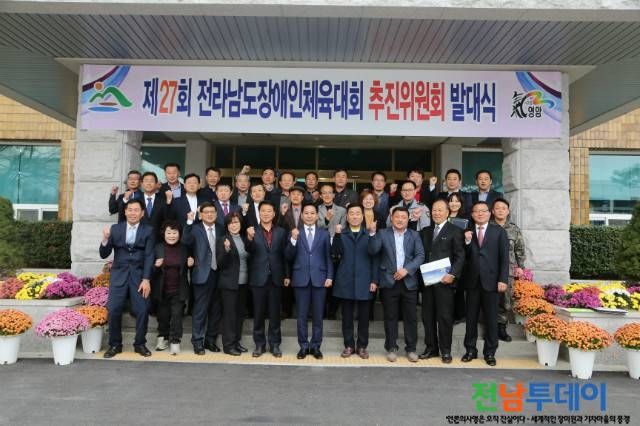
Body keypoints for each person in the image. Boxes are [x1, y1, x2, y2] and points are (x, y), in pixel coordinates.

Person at [368, 206, 425, 363]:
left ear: (408, 219)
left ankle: (411, 349)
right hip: (389, 281)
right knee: (390, 316)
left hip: (409, 282)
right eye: (397, 217)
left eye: (403, 217)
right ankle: (391, 347)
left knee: (411, 317)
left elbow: (420, 255)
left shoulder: (414, 235)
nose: (400, 219)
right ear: (391, 218)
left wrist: (407, 270)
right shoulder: (382, 233)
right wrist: (372, 233)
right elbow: (372, 251)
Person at [99, 199, 155, 358]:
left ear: (142, 213)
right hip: (119, 275)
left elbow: (149, 256)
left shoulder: (148, 230)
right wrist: (105, 239)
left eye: (136, 210)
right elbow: (104, 254)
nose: (132, 213)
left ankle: (140, 344)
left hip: (139, 276)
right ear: (125, 212)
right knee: (113, 309)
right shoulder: (115, 229)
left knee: (142, 310)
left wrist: (146, 279)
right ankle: (115, 345)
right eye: (130, 209)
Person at [461, 201, 509, 367]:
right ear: (472, 214)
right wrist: (467, 242)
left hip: (492, 282)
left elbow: (504, 258)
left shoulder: (499, 232)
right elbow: (463, 256)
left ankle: (489, 352)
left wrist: (503, 279)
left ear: (489, 213)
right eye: (476, 211)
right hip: (472, 282)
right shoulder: (467, 232)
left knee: (491, 319)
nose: (480, 214)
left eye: (483, 211)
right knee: (471, 319)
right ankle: (470, 350)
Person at [418, 199, 465, 363]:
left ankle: (445, 351)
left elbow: (460, 256)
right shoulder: (425, 231)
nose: (436, 213)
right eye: (434, 210)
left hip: (445, 282)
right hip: (427, 282)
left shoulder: (455, 231)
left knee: (444, 317)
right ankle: (431, 348)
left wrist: (452, 274)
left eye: (440, 210)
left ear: (447, 212)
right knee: (427, 316)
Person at [285, 204, 334, 360]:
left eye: (312, 213)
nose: (309, 216)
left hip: (320, 279)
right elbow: (288, 256)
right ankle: (304, 346)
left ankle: (316, 346)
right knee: (301, 316)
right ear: (301, 215)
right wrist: (293, 239)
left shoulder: (324, 234)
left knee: (318, 316)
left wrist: (330, 276)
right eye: (306, 213)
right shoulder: (294, 233)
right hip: (301, 279)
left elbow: (328, 257)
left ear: (317, 216)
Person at [331, 205, 379, 359]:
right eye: (351, 213)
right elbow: (335, 253)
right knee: (346, 317)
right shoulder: (342, 233)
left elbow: (375, 254)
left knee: (364, 318)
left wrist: (374, 280)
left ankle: (362, 346)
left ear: (363, 217)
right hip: (345, 280)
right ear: (347, 217)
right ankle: (349, 345)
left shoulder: (369, 233)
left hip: (365, 280)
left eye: (358, 213)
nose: (355, 216)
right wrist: (337, 235)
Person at [246, 201, 289, 358]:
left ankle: (275, 344)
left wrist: (287, 275)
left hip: (276, 278)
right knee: (258, 314)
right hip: (258, 278)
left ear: (274, 213)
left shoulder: (281, 232)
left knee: (275, 314)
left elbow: (285, 256)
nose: (266, 213)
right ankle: (259, 344)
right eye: (263, 210)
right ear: (259, 213)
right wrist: (249, 238)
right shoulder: (252, 231)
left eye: (269, 211)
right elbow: (248, 251)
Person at [181, 202, 224, 355]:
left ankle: (210, 340)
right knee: (200, 309)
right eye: (206, 212)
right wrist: (189, 221)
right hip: (202, 274)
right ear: (201, 215)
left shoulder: (221, 228)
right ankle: (197, 341)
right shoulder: (194, 229)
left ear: (216, 214)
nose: (210, 214)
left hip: (219, 273)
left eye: (212, 212)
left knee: (216, 310)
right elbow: (185, 241)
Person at [151, 220, 193, 355]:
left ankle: (175, 341)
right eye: (168, 233)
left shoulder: (185, 248)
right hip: (162, 289)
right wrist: (155, 266)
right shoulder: (157, 248)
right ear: (163, 234)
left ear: (179, 234)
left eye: (175, 233)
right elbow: (149, 270)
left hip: (179, 289)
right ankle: (162, 338)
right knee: (163, 316)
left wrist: (191, 264)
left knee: (177, 315)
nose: (172, 236)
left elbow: (191, 265)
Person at [491, 197, 526, 342]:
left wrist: (520, 267)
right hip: (490, 270)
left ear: (508, 211)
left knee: (506, 301)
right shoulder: (488, 227)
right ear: (493, 211)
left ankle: (502, 327)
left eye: (503, 208)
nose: (500, 211)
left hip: (509, 270)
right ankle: (491, 327)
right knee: (490, 299)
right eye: (497, 208)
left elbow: (520, 249)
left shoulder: (514, 229)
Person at [216, 212, 250, 356]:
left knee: (240, 314)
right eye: (230, 223)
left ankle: (236, 342)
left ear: (240, 224)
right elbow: (220, 263)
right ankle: (228, 345)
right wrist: (227, 250)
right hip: (229, 284)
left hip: (244, 283)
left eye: (236, 222)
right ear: (227, 225)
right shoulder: (223, 240)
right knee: (229, 315)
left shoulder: (244, 238)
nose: (233, 225)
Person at [138, 171, 174, 238]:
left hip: (158, 239)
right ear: (142, 184)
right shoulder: (136, 201)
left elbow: (168, 220)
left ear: (156, 184)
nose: (149, 183)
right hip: (139, 238)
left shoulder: (163, 201)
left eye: (151, 181)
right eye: (146, 181)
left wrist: (168, 203)